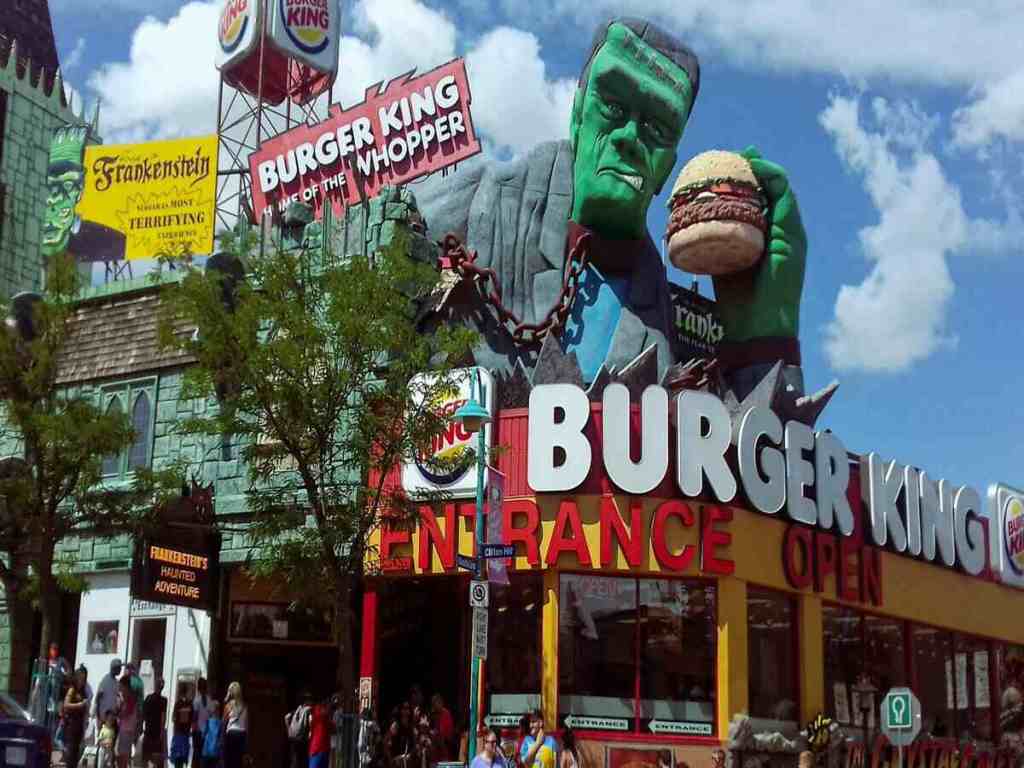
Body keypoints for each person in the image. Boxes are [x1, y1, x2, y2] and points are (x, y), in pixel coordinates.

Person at [62, 667, 90, 768]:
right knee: (71, 752)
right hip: (71, 724)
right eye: (81, 677)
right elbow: (66, 705)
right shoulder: (72, 689)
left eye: (84, 678)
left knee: (76, 752)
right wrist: (80, 705)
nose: (82, 680)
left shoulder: (82, 691)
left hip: (79, 724)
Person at [142, 677, 168, 768]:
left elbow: (143, 714)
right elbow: (163, 717)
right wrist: (161, 732)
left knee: (146, 757)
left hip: (148, 730)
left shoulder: (148, 698)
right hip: (157, 733)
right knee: (157, 759)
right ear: (162, 687)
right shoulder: (164, 701)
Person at [94, 658, 123, 735]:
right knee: (104, 742)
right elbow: (97, 699)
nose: (120, 670)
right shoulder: (105, 680)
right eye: (119, 668)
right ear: (114, 668)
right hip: (104, 719)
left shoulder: (117, 683)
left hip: (112, 719)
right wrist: (98, 718)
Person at [223, 681, 248, 768]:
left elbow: (224, 722)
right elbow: (246, 723)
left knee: (229, 761)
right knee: (239, 762)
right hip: (242, 735)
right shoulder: (245, 706)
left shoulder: (229, 705)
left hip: (231, 734)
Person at [116, 675, 139, 768]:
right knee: (120, 755)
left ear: (125, 686)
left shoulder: (130, 698)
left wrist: (118, 713)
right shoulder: (127, 697)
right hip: (124, 729)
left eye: (121, 686)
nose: (120, 688)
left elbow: (126, 712)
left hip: (127, 729)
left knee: (123, 756)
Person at [171, 682, 195, 768]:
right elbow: (192, 720)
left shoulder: (178, 704)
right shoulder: (190, 704)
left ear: (180, 692)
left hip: (178, 734)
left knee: (177, 759)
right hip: (186, 735)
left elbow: (173, 718)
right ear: (186, 691)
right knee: (183, 758)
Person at [287, 691, 313, 768]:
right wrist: (310, 734)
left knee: (294, 758)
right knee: (302, 760)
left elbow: (286, 717)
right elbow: (309, 722)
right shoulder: (308, 710)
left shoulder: (297, 710)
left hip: (293, 738)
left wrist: (289, 730)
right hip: (302, 739)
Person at [192, 678, 213, 768]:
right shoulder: (209, 700)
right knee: (204, 756)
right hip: (207, 732)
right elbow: (211, 716)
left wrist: (193, 729)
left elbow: (195, 717)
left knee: (196, 754)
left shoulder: (196, 700)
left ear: (198, 688)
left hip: (198, 731)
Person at [308, 697, 334, 768]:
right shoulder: (321, 713)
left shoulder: (315, 712)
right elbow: (333, 728)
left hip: (316, 749)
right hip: (320, 749)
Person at [430, 694, 454, 761]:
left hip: (445, 742)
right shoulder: (432, 714)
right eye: (433, 703)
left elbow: (448, 732)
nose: (435, 705)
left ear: (441, 703)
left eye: (436, 702)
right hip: (435, 742)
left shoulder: (446, 714)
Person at [201, 700, 224, 768]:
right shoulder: (221, 723)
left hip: (206, 751)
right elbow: (221, 738)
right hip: (215, 752)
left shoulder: (208, 721)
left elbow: (203, 735)